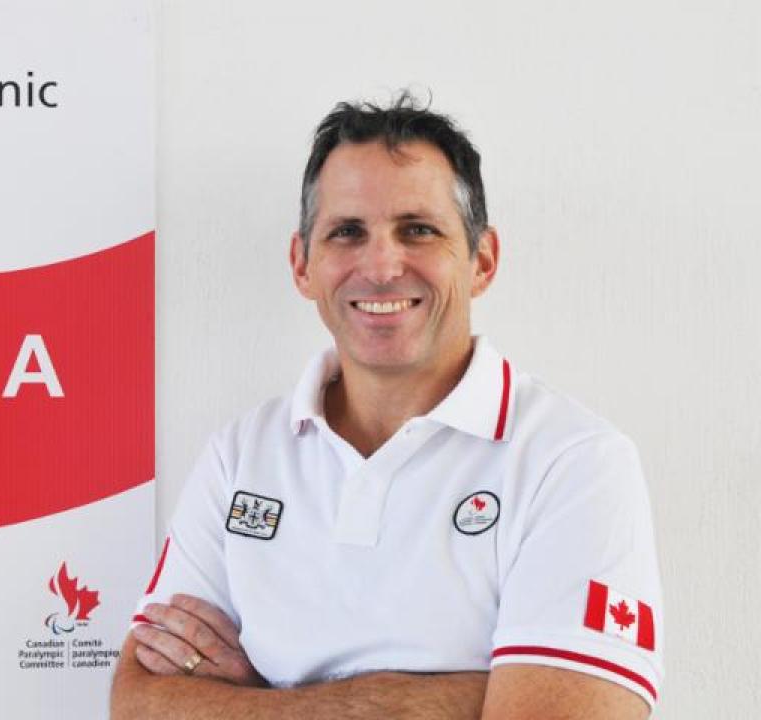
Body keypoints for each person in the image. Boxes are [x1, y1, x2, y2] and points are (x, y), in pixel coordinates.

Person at [110, 92, 664, 719]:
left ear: (482, 261)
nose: (380, 265)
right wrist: (471, 695)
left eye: (418, 230)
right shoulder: (242, 455)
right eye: (347, 232)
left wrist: (256, 701)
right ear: (302, 265)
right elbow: (139, 702)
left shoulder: (573, 462)